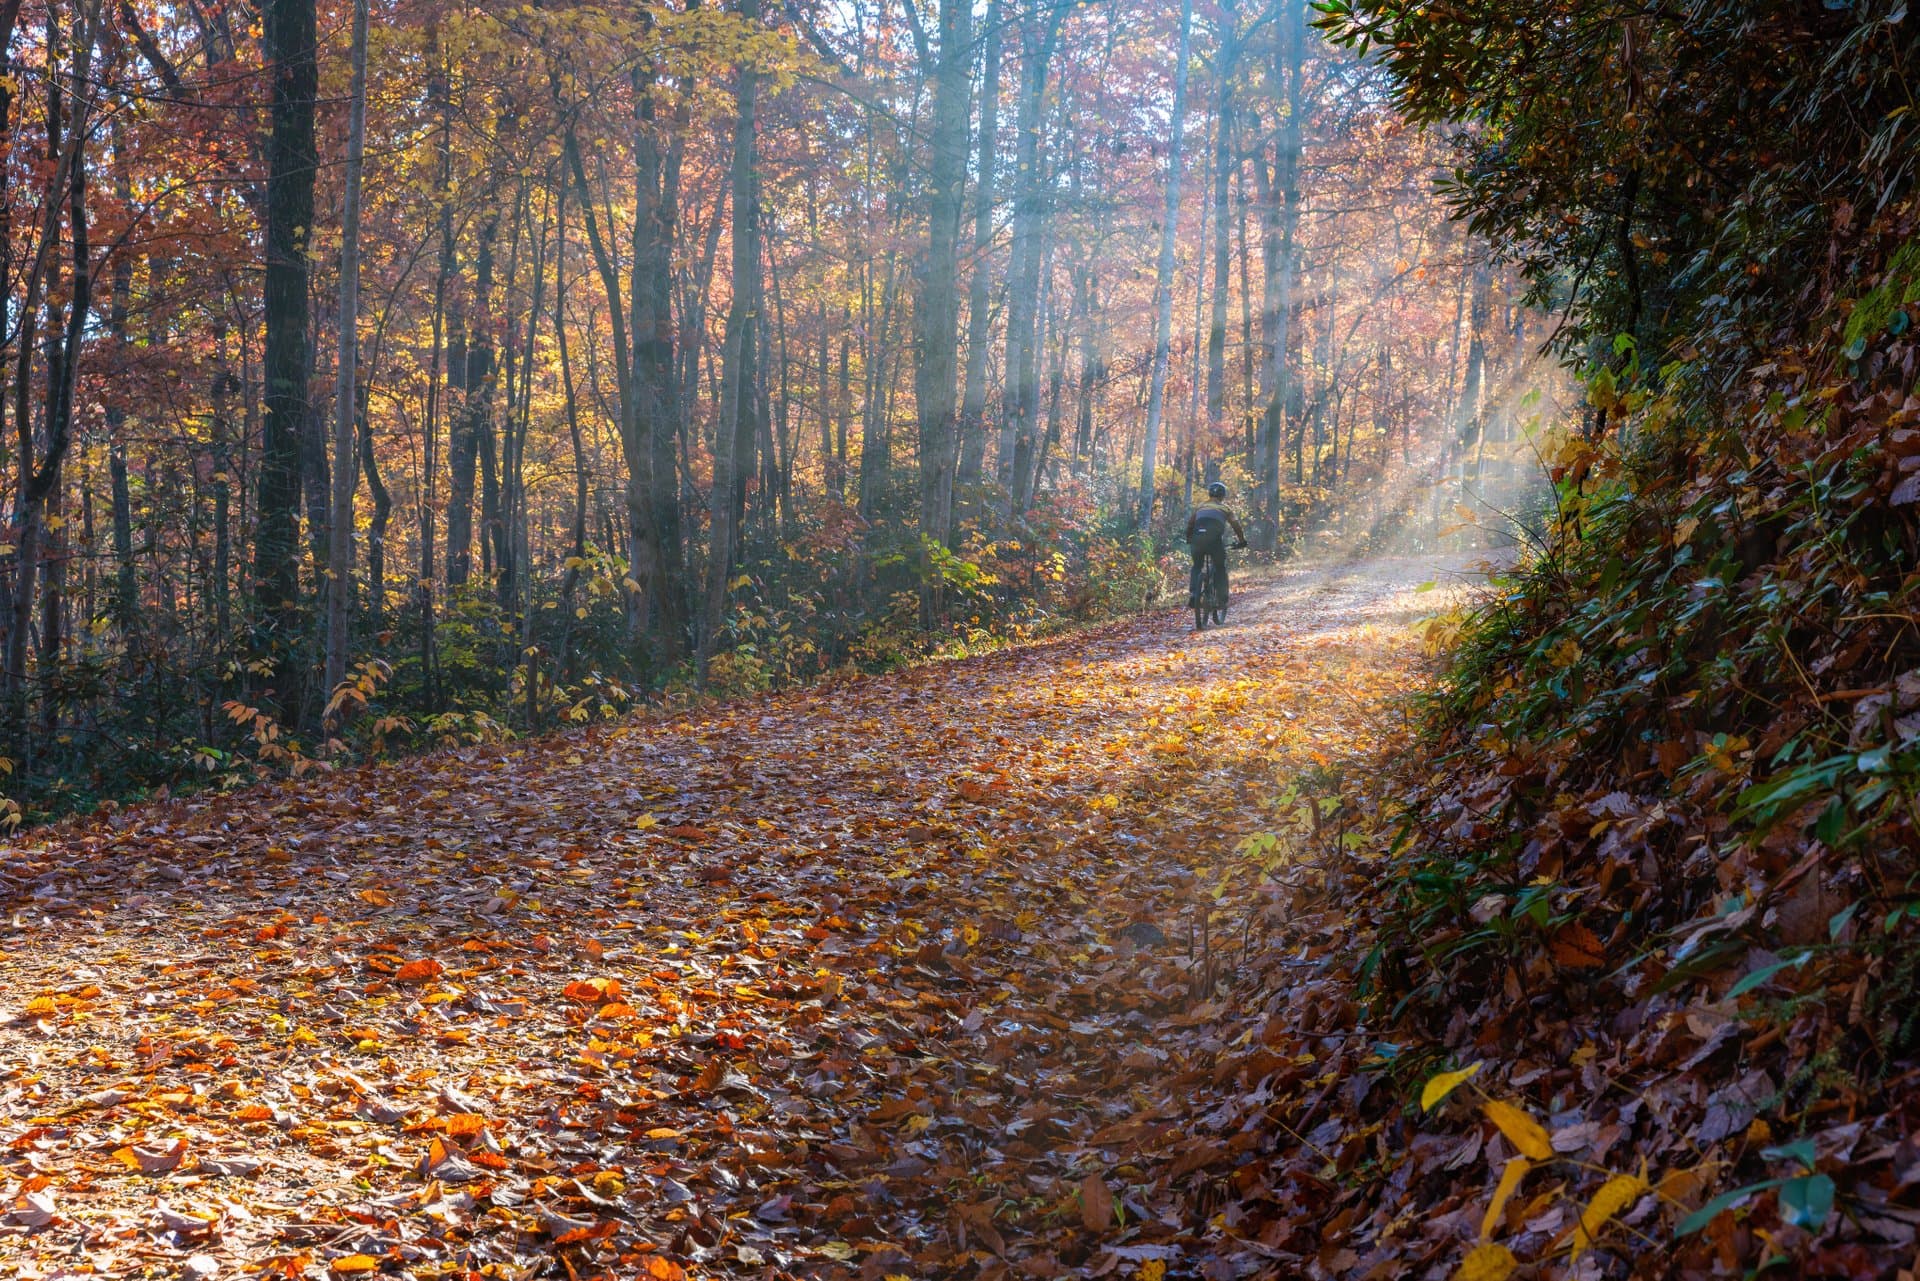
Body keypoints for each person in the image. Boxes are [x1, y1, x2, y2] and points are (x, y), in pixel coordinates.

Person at [1185, 481, 1247, 609]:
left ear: (1209, 494)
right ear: (1223, 496)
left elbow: (1190, 524)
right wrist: (1242, 541)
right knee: (1220, 567)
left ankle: (1193, 594)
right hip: (1214, 541)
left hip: (1197, 539)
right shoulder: (1225, 508)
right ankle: (1221, 599)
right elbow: (1236, 525)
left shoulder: (1200, 507)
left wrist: (1189, 539)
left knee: (1197, 565)